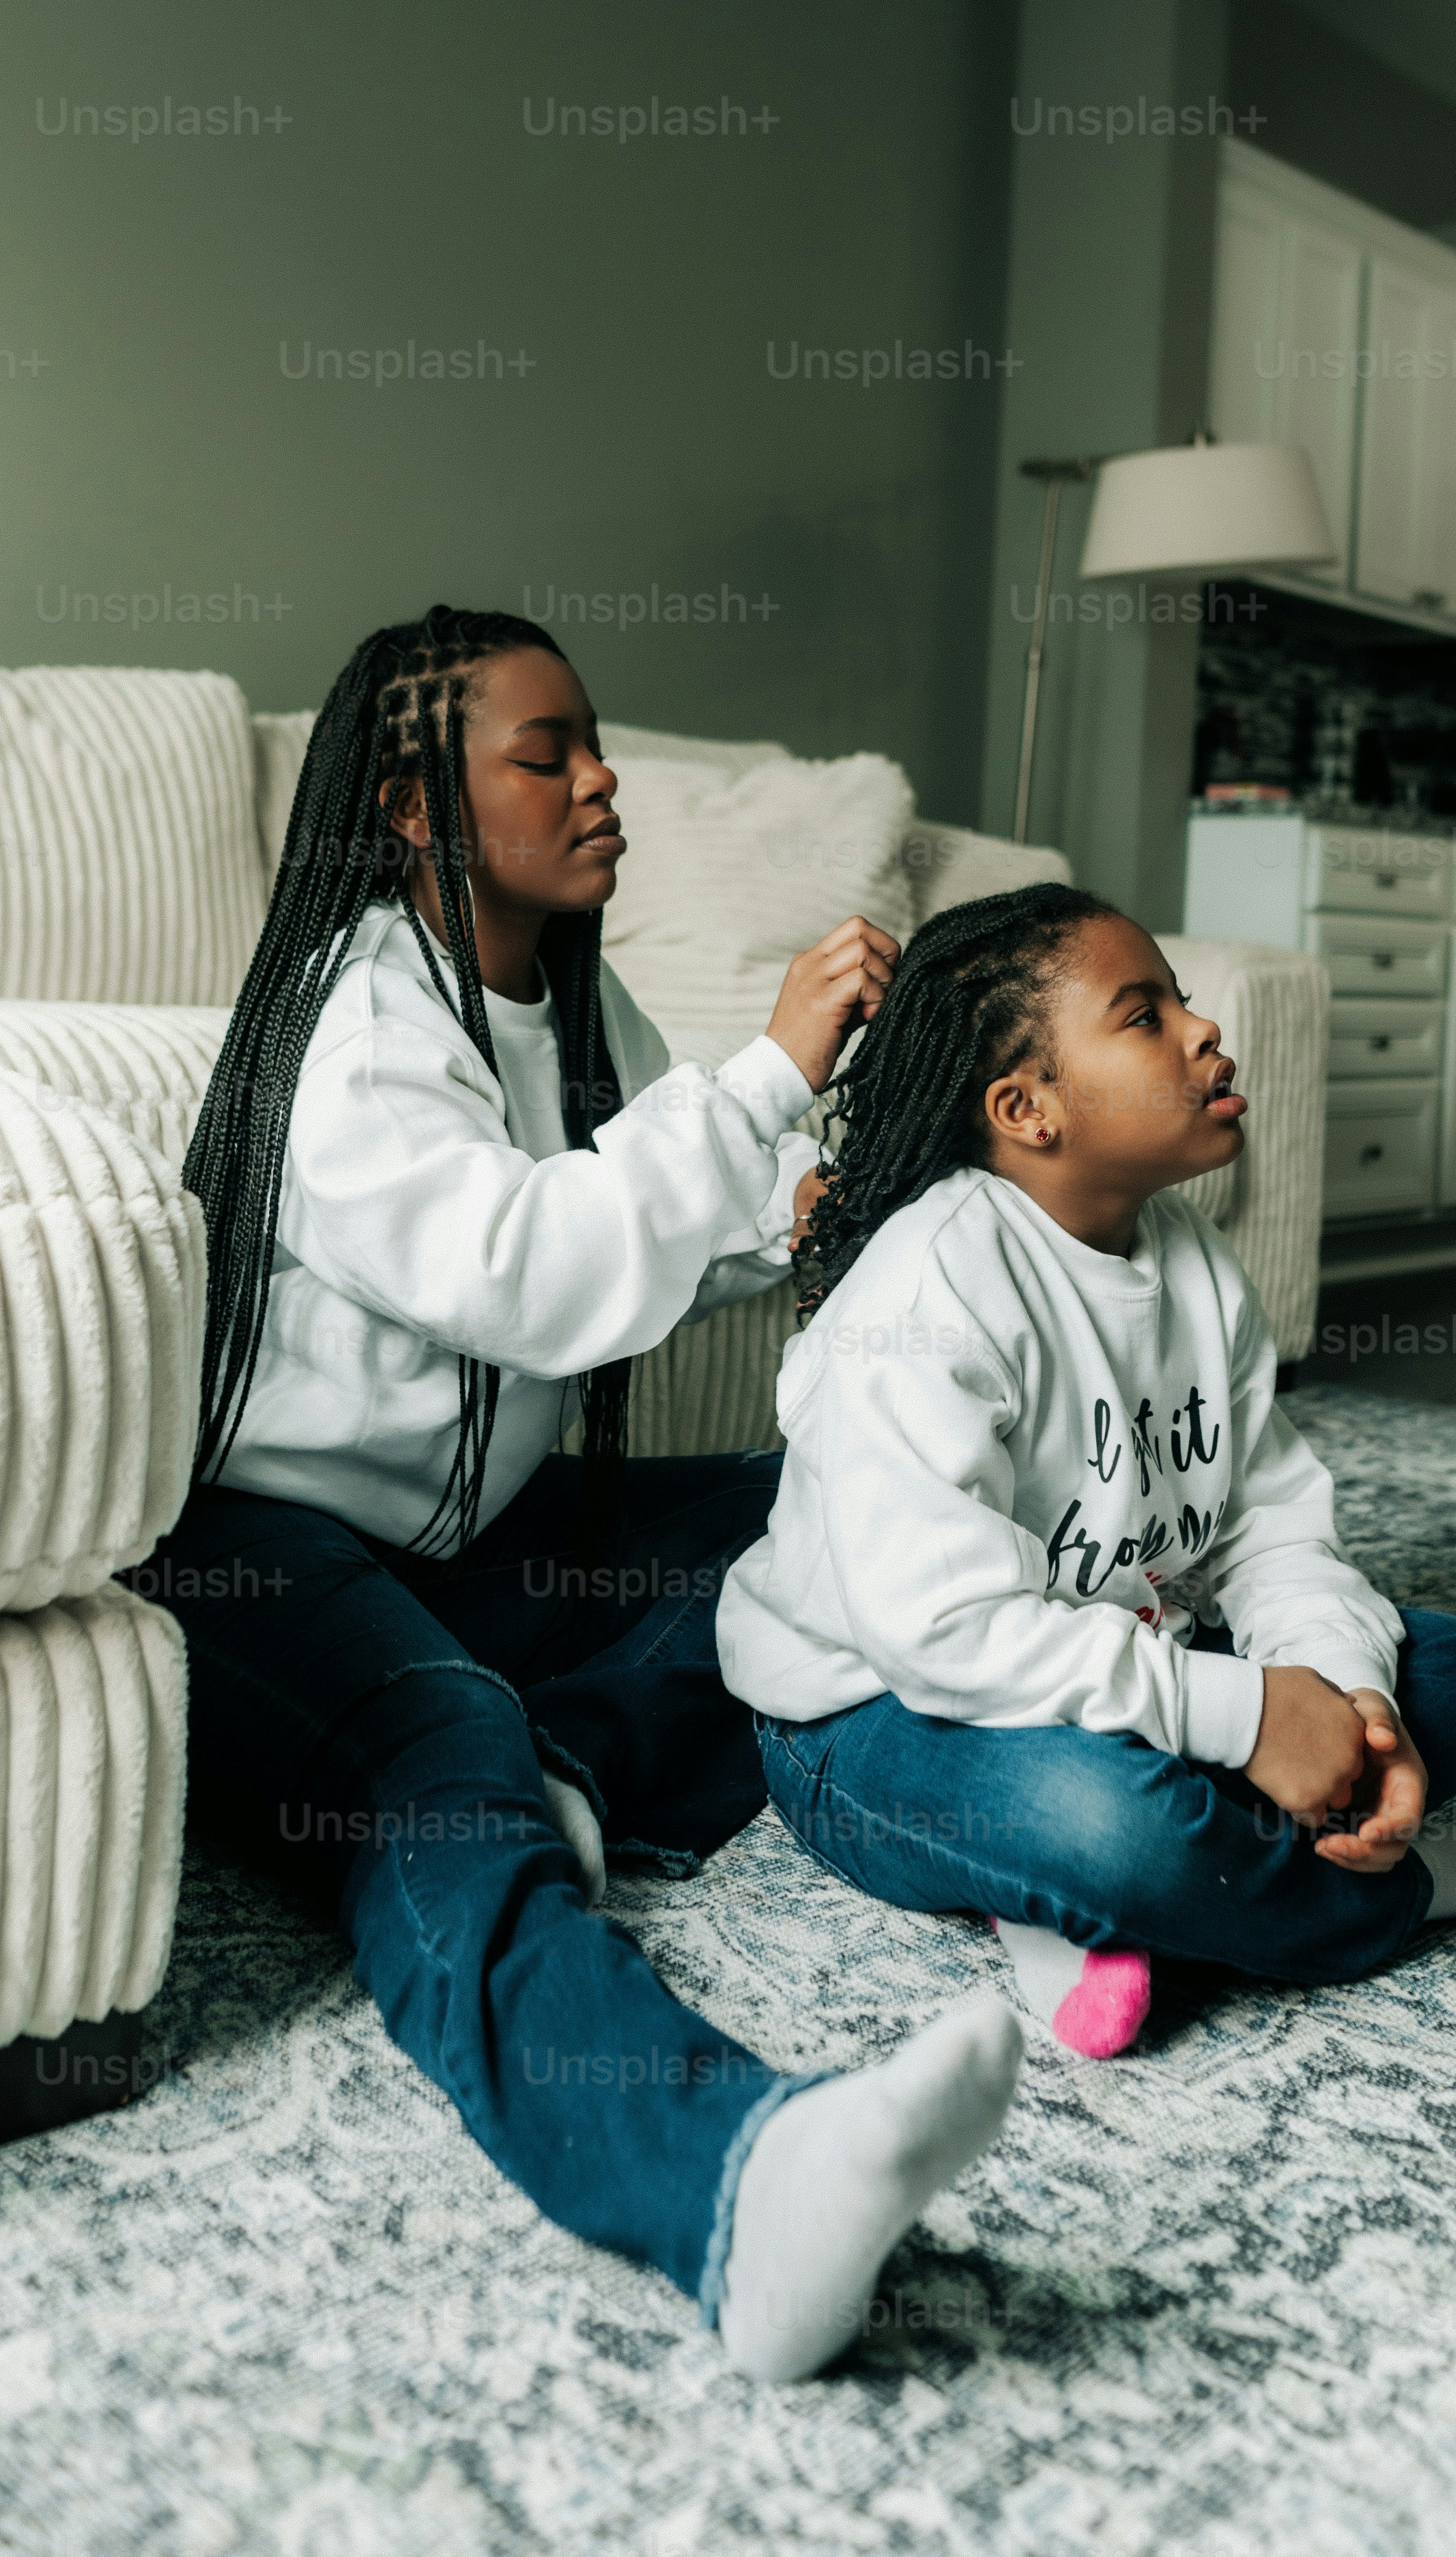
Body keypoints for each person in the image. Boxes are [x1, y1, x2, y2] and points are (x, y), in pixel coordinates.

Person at [151, 608, 1020, 2383]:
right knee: (438, 1774)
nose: (600, 775)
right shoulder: (354, 1012)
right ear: (411, 803)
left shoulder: (564, 995)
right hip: (263, 1554)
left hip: (479, 1541)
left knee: (839, 1510)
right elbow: (530, 1267)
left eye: (594, 740)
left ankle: (584, 1753)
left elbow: (647, 1235)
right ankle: (729, 2179)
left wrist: (796, 1209)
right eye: (545, 753)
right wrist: (765, 1068)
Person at [718, 883, 1456, 2060]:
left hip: (1102, 1661)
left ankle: (1075, 1905)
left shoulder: (1193, 1261)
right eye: (1143, 1016)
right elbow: (941, 1637)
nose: (1202, 1032)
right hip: (870, 1716)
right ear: (1025, 1107)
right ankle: (1421, 1890)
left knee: (1448, 1678)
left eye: (1183, 1004)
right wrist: (1243, 1717)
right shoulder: (930, 1290)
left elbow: (1268, 1532)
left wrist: (1337, 1694)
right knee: (1109, 1826)